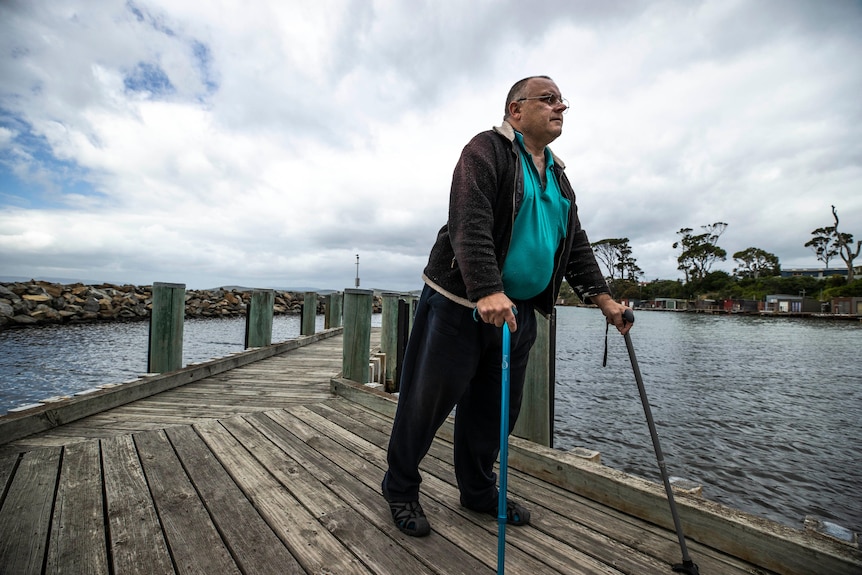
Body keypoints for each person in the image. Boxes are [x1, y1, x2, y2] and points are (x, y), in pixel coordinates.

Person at [381, 75, 632, 537]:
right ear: (516, 111)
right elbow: (468, 221)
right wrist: (486, 289)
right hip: (460, 305)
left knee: (493, 412)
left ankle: (477, 491)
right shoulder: (486, 151)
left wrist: (604, 301)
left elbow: (573, 245)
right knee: (425, 404)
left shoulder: (558, 176)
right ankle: (400, 488)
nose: (560, 107)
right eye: (548, 99)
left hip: (516, 314)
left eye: (562, 101)